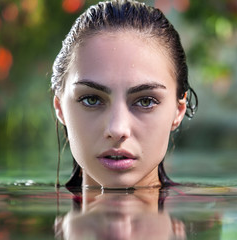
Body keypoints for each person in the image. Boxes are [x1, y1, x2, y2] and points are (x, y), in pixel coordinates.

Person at [51, 0, 197, 189]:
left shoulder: (208, 209)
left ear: (178, 111)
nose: (117, 129)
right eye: (92, 99)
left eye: (145, 101)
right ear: (60, 108)